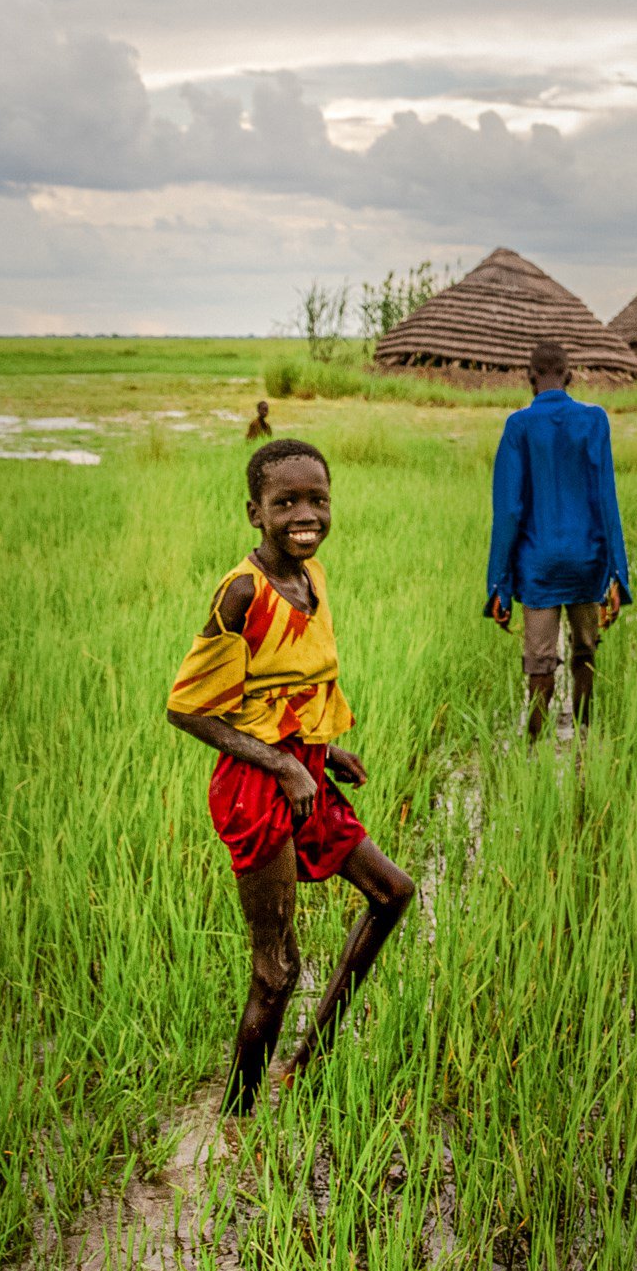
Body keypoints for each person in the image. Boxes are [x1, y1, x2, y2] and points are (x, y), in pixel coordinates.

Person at [167, 438, 416, 1117]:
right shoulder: (242, 591)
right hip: (257, 788)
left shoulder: (314, 576)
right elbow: (186, 707)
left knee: (392, 894)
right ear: (255, 512)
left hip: (304, 769)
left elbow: (282, 687)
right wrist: (281, 762)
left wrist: (324, 752)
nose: (305, 515)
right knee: (277, 970)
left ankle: (305, 1067)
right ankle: (236, 1124)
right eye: (287, 503)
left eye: (317, 500)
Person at [485, 339, 630, 740]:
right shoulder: (595, 420)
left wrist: (499, 584)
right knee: (585, 653)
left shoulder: (519, 426)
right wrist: (618, 574)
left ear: (530, 379)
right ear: (569, 376)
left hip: (538, 567)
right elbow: (606, 499)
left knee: (539, 664)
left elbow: (509, 512)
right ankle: (584, 738)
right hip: (589, 561)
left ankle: (532, 749)